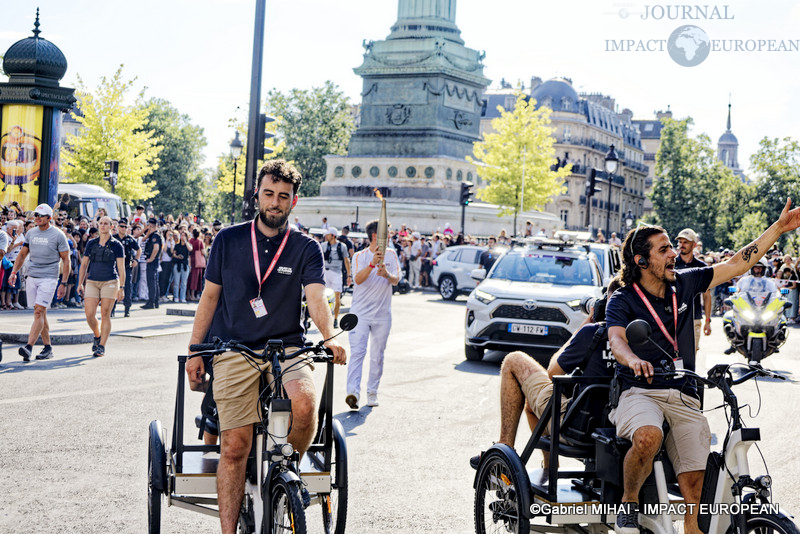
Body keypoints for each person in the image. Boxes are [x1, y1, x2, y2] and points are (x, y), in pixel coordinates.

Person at [606, 199, 800, 534]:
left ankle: (692, 527)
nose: (673, 254)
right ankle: (630, 500)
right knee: (648, 436)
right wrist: (633, 359)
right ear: (641, 260)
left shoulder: (684, 282)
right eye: (664, 249)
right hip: (640, 391)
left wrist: (779, 228)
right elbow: (617, 339)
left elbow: (737, 263)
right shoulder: (623, 299)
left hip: (683, 392)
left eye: (672, 247)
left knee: (697, 467)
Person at [185, 159, 346, 534]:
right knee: (235, 447)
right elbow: (209, 299)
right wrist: (195, 349)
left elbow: (317, 299)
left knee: (306, 407)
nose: (275, 202)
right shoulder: (228, 239)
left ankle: (287, 469)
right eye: (269, 194)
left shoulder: (306, 247)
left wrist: (331, 336)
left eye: (283, 196)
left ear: (293, 201)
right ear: (257, 194)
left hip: (287, 346)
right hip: (235, 347)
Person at [470, 279, 620, 469]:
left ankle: (505, 448)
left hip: (578, 427)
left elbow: (553, 372)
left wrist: (584, 326)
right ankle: (549, 465)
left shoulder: (593, 332)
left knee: (513, 360)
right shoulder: (645, 339)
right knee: (531, 407)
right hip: (619, 426)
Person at [345, 219, 400, 410]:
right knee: (358, 353)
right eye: (388, 233)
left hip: (382, 315)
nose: (390, 236)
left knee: (377, 356)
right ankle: (353, 392)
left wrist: (386, 274)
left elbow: (396, 281)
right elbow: (357, 280)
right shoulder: (360, 256)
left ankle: (372, 392)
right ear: (376, 236)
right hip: (360, 314)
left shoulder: (392, 255)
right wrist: (372, 264)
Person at [8, 204, 70, 361]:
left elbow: (66, 259)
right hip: (32, 276)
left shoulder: (58, 235)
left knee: (38, 312)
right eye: (35, 215)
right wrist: (14, 272)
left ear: (49, 218)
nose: (37, 217)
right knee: (40, 312)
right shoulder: (31, 233)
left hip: (49, 277)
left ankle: (28, 347)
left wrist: (63, 283)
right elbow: (22, 255)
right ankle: (48, 348)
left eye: (40, 215)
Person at [77, 216, 125, 357]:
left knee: (105, 313)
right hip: (92, 280)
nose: (103, 226)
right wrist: (80, 283)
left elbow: (121, 268)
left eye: (106, 224)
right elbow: (84, 264)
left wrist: (122, 287)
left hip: (110, 281)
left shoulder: (117, 245)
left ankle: (101, 346)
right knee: (89, 314)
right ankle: (97, 335)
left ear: (111, 226)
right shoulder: (91, 243)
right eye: (101, 223)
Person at [674, 228, 711, 352]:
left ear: (694, 245)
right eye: (680, 242)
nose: (681, 245)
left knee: (691, 354)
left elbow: (707, 296)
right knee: (672, 355)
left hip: (694, 317)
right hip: (673, 317)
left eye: (686, 242)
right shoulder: (671, 264)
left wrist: (707, 321)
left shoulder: (702, 267)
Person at [322, 227, 351, 328]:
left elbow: (346, 260)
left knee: (337, 297)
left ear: (333, 235)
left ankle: (335, 318)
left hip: (336, 273)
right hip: (325, 272)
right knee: (323, 297)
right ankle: (325, 318)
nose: (326, 236)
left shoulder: (342, 246)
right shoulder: (323, 245)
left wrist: (349, 275)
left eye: (328, 234)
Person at [112, 218, 141, 317]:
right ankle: (112, 309)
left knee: (127, 288)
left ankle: (127, 309)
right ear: (118, 227)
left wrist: (136, 260)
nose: (123, 228)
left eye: (125, 226)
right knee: (113, 288)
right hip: (114, 267)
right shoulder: (113, 238)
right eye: (121, 226)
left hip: (126, 267)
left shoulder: (130, 239)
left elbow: (138, 250)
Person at [140, 218, 162, 309]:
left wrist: (151, 258)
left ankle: (151, 302)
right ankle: (155, 301)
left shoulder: (155, 236)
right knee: (154, 281)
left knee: (151, 282)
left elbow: (156, 248)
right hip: (154, 261)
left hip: (152, 261)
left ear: (150, 225)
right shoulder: (154, 235)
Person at [171, 230, 191, 303]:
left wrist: (185, 241)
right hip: (178, 264)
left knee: (184, 283)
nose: (182, 237)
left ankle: (182, 297)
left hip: (185, 265)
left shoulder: (188, 245)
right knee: (176, 282)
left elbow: (190, 249)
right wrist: (177, 256)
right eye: (181, 235)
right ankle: (176, 297)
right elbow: (173, 254)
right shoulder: (177, 245)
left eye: (184, 235)